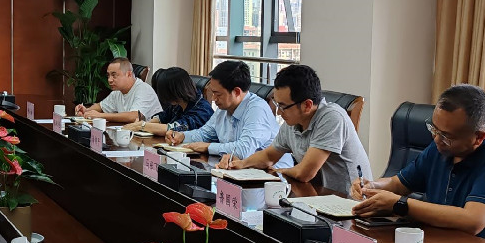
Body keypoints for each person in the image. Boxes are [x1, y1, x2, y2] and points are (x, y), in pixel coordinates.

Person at [351, 84, 485, 243]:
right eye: (434, 129)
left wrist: (400, 204)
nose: (436, 139)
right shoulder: (440, 149)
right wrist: (372, 186)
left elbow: (473, 221)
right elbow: (398, 184)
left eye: (446, 136)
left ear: (479, 137)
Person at [217, 64, 371, 194]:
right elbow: (269, 155)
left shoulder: (332, 117)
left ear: (307, 105)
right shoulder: (293, 122)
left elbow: (304, 173)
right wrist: (241, 164)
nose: (279, 112)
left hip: (348, 203)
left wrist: (277, 172)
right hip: (314, 197)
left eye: (283, 106)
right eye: (277, 104)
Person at [166, 60, 286, 161]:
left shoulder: (257, 109)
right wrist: (182, 136)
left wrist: (208, 147)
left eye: (218, 94)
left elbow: (243, 150)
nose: (214, 99)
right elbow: (204, 134)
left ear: (236, 92)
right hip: (239, 171)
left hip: (273, 176)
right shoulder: (224, 108)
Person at [121, 67, 213, 137]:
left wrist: (142, 126)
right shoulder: (179, 104)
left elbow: (175, 128)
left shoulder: (202, 110)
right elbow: (162, 117)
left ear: (175, 91)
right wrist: (145, 123)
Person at [74, 57, 162, 123]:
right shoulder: (117, 92)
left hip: (152, 139)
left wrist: (100, 116)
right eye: (108, 75)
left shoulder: (143, 89)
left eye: (114, 75)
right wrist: (86, 111)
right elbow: (101, 107)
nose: (109, 80)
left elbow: (134, 116)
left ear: (129, 74)